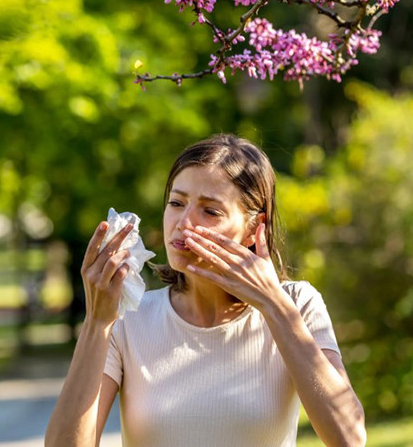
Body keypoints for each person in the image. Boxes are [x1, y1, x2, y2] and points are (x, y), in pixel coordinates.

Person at [46, 134, 366, 447]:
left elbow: (349, 438)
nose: (184, 222)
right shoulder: (130, 319)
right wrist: (96, 323)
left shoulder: (298, 304)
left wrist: (274, 305)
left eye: (210, 211)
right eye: (176, 202)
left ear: (254, 229)